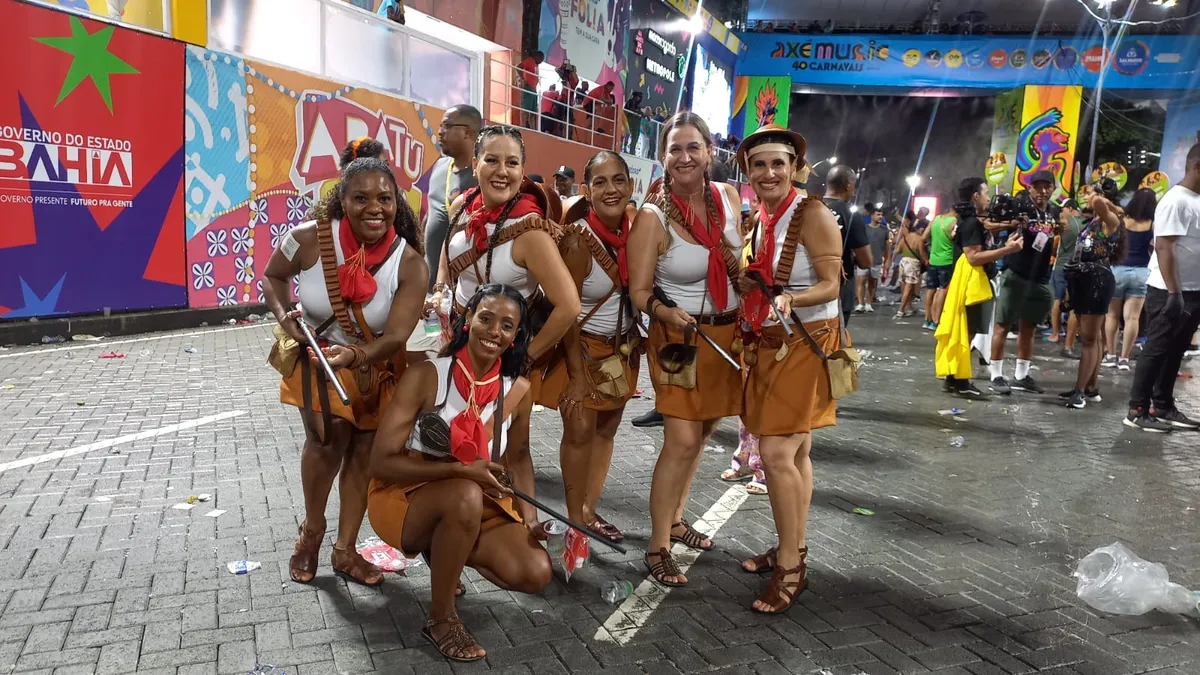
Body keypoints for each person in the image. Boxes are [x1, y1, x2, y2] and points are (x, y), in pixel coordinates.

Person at [263, 157, 428, 587]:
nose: (374, 208)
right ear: (342, 200)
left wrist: (354, 357)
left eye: (385, 198)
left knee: (363, 456)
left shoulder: (409, 264)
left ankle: (345, 549)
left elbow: (395, 338)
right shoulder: (307, 240)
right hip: (317, 361)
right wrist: (285, 319)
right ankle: (311, 534)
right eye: (361, 198)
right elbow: (272, 276)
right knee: (326, 442)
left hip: (374, 365)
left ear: (397, 204)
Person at [367, 284, 552, 662]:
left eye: (506, 325)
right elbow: (380, 462)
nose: (493, 331)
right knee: (464, 495)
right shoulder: (426, 376)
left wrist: (531, 519)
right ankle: (441, 619)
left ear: (516, 335)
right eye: (485, 318)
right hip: (403, 495)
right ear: (468, 320)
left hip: (472, 499)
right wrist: (463, 470)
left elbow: (518, 457)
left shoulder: (516, 390)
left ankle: (445, 547)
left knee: (535, 572)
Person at [628, 112, 743, 585]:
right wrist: (665, 312)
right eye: (675, 149)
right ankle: (657, 545)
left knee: (704, 435)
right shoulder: (653, 217)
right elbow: (638, 292)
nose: (684, 157)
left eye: (693, 147)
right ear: (663, 157)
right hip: (679, 339)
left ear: (710, 152)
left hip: (728, 335)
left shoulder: (728, 198)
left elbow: (742, 258)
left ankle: (676, 520)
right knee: (680, 441)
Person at [733, 125, 844, 613]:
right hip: (776, 341)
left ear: (795, 167)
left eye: (778, 163)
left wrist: (789, 297)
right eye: (759, 164)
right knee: (796, 452)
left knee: (777, 452)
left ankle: (792, 568)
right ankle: (788, 548)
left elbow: (832, 284)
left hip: (809, 341)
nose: (769, 172)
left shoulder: (812, 213)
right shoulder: (761, 217)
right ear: (748, 172)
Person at [434, 126, 582, 402]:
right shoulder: (461, 207)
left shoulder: (531, 232)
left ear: (521, 170)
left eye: (512, 163)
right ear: (476, 165)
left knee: (504, 439)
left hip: (507, 351)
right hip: (460, 338)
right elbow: (448, 251)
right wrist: (440, 288)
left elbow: (569, 306)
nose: (502, 171)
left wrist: (527, 356)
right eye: (492, 160)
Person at [538, 152, 640, 543]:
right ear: (586, 190)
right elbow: (565, 312)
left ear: (630, 186)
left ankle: (589, 512)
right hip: (582, 351)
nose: (610, 189)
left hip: (623, 352)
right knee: (579, 433)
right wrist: (577, 375)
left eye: (618, 180)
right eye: (600, 182)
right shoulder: (579, 240)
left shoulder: (638, 234)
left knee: (606, 432)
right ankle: (573, 519)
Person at [1124, 143, 1200, 432]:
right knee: (1155, 350)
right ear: (1197, 167)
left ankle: (1164, 405)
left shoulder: (1196, 199)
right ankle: (1136, 410)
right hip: (1169, 291)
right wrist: (1174, 292)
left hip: (1193, 290)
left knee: (1176, 350)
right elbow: (1164, 247)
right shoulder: (1176, 200)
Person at [939, 178, 1023, 396]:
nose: (988, 197)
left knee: (964, 331)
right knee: (967, 332)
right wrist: (1008, 249)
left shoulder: (970, 220)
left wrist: (1009, 226)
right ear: (975, 196)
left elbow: (987, 227)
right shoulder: (971, 223)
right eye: (985, 192)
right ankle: (961, 383)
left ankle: (953, 379)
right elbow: (974, 257)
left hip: (969, 279)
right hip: (972, 281)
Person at [988, 171, 1060, 395]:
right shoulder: (1020, 206)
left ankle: (1021, 375)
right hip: (1016, 272)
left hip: (1040, 276)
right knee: (1003, 325)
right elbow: (990, 224)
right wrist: (1012, 223)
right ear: (1030, 189)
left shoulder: (1054, 211)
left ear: (1053, 189)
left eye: (1047, 186)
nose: (1042, 191)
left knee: (1029, 328)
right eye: (1037, 187)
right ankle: (996, 375)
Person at [1060, 179, 1125, 409]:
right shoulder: (1095, 221)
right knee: (1093, 338)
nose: (1086, 197)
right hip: (1086, 279)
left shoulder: (1111, 219)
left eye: (1089, 193)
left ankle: (1079, 393)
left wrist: (1103, 197)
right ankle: (1090, 387)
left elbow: (1098, 202)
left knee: (1088, 339)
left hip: (1097, 281)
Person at [425, 105, 482, 290]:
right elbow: (431, 215)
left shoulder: (483, 176)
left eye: (447, 126)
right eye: (441, 126)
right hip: (431, 286)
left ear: (468, 132)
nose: (440, 132)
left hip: (463, 290)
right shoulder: (440, 166)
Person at [1104, 188, 1157, 371]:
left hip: (1117, 270)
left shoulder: (1123, 220)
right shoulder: (1152, 224)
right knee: (1132, 318)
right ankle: (1124, 359)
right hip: (1142, 273)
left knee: (1112, 315)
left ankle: (1110, 355)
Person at [822, 166, 871, 325]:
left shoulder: (808, 208)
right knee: (835, 341)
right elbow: (866, 261)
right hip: (839, 287)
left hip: (807, 286)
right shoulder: (850, 214)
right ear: (849, 185)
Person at [1049, 200, 1084, 357]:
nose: (1061, 212)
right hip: (1076, 267)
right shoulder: (1085, 223)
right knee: (1074, 305)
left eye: (1063, 209)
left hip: (1060, 265)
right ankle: (1071, 340)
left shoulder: (1062, 223)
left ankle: (1055, 334)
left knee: (1057, 299)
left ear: (1070, 209)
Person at [923, 207, 957, 330]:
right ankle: (937, 320)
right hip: (946, 261)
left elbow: (923, 238)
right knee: (942, 289)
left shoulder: (936, 219)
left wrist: (926, 255)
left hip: (933, 260)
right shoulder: (954, 222)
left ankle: (927, 319)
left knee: (930, 289)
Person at [855, 207, 890, 313]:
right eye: (878, 214)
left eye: (881, 215)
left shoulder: (884, 230)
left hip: (877, 260)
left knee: (873, 283)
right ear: (872, 216)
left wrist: (888, 260)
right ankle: (860, 304)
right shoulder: (864, 228)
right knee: (861, 281)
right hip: (863, 260)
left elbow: (887, 246)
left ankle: (868, 303)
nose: (880, 217)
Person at [517, 51, 544, 130]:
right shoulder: (529, 60)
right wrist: (523, 79)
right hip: (528, 87)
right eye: (541, 59)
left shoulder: (535, 65)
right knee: (525, 108)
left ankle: (533, 128)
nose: (541, 61)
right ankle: (523, 126)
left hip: (534, 89)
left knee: (533, 111)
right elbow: (518, 67)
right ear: (537, 56)